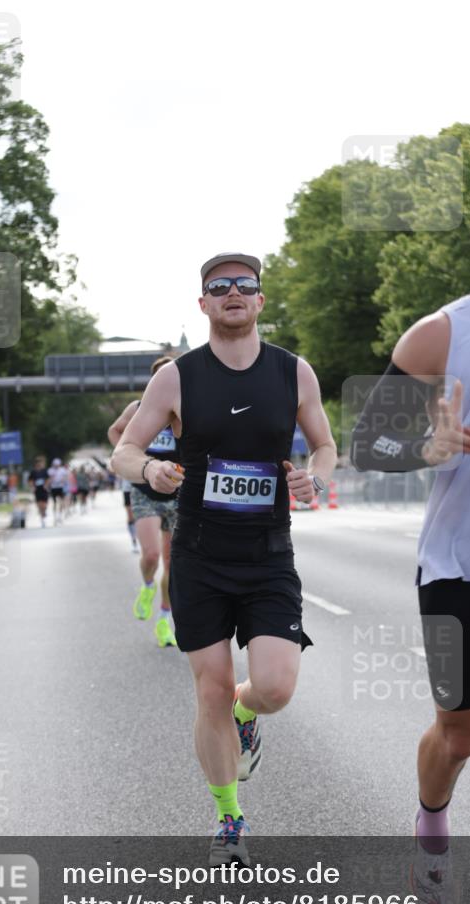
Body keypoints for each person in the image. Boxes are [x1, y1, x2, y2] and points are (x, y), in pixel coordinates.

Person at [350, 172, 470, 904]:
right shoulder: (440, 334)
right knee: (460, 736)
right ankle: (431, 831)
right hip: (462, 568)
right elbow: (368, 445)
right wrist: (426, 446)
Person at [112, 252, 337, 864]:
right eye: (220, 286)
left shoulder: (294, 373)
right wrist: (150, 467)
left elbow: (324, 445)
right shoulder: (176, 378)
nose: (233, 292)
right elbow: (124, 451)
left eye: (245, 285)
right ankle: (229, 818)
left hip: (267, 554)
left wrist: (314, 478)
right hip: (199, 556)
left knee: (274, 686)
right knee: (208, 690)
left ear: (261, 300)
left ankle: (248, 710)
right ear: (204, 304)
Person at [108, 356, 179, 648]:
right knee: (151, 556)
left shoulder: (185, 409)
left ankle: (164, 620)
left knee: (174, 566)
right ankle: (148, 586)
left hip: (177, 492)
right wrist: (132, 458)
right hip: (144, 489)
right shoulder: (138, 409)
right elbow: (115, 431)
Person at [28, 456, 51, 527]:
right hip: (37, 490)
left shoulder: (44, 471)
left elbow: (48, 479)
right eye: (38, 463)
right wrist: (32, 487)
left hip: (44, 489)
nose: (39, 464)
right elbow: (30, 480)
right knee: (39, 505)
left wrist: (46, 485)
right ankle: (42, 520)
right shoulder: (33, 472)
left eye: (40, 463)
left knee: (44, 505)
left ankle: (44, 512)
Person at [48, 458, 68, 523]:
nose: (56, 466)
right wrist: (51, 480)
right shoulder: (50, 470)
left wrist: (63, 480)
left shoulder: (62, 470)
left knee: (61, 502)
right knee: (54, 503)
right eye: (55, 465)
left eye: (57, 465)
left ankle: (60, 515)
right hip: (53, 487)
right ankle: (55, 516)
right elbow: (49, 479)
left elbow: (65, 478)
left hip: (60, 487)